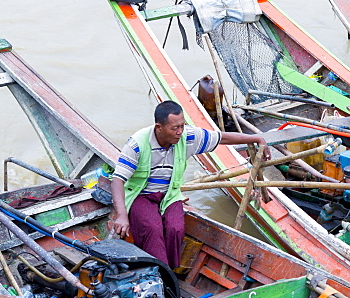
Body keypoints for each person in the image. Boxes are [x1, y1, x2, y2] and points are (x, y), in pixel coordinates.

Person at [110, 100, 270, 268]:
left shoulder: (187, 136)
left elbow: (221, 137)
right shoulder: (137, 144)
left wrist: (257, 138)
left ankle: (169, 272)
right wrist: (121, 215)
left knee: (176, 229)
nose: (180, 132)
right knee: (152, 228)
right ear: (159, 128)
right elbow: (117, 180)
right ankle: (159, 274)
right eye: (174, 128)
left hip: (169, 195)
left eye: (182, 125)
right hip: (141, 195)